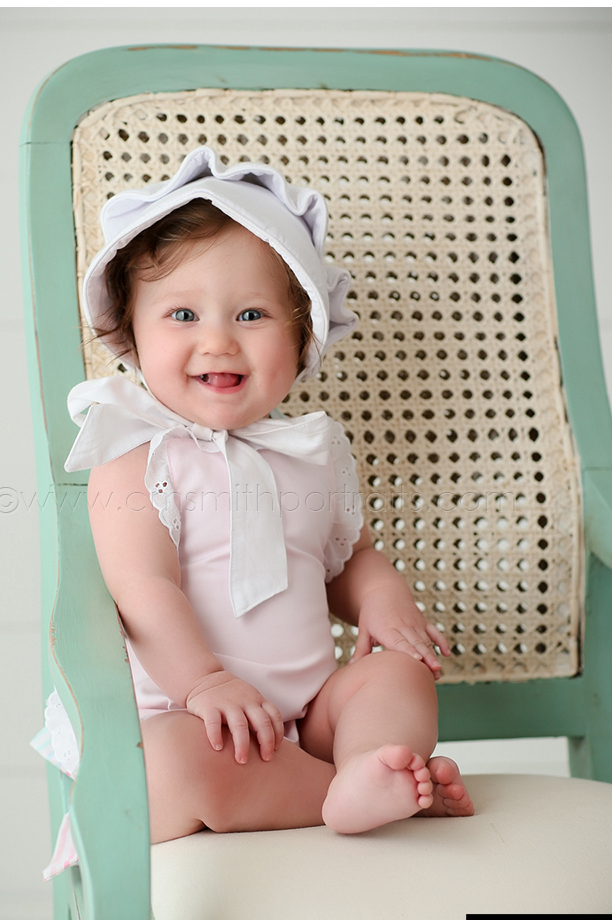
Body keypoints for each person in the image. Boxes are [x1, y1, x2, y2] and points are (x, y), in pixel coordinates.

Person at [58, 147, 473, 845]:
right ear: (131, 333)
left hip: (313, 721)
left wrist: (382, 600)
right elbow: (143, 589)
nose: (218, 341)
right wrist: (204, 683)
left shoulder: (311, 453)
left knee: (397, 675)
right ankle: (355, 793)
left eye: (251, 314)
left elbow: (348, 560)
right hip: (199, 720)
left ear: (302, 335)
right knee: (162, 765)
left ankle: (366, 766)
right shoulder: (135, 454)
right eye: (183, 314)